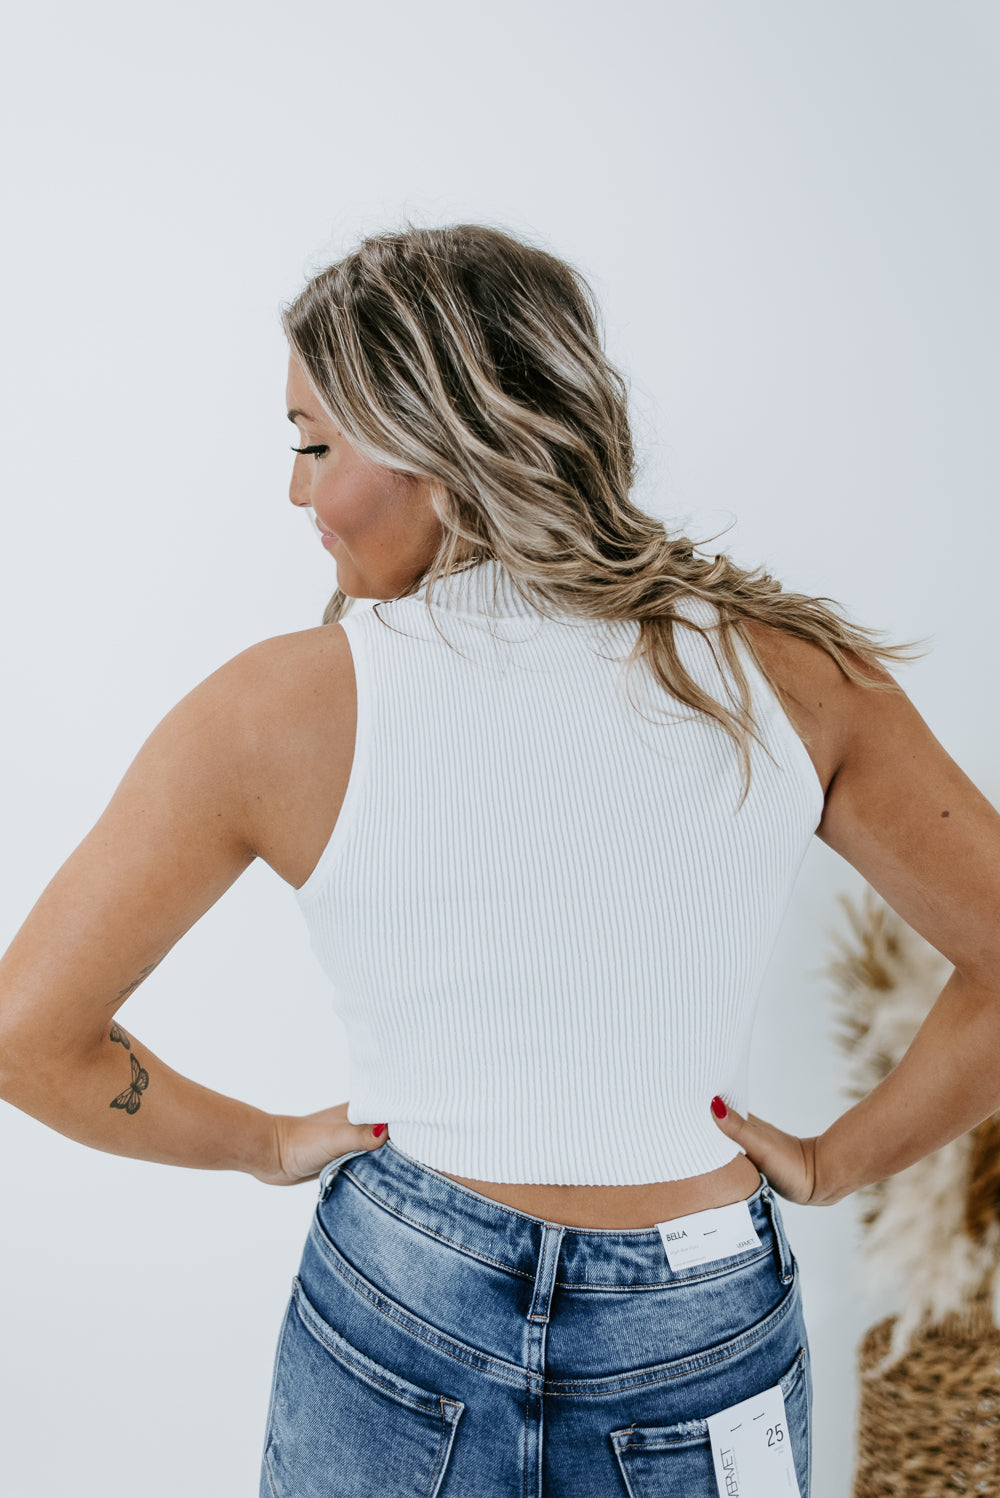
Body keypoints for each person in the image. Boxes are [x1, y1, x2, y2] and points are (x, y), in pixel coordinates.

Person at [1, 222, 997, 1498]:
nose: (296, 493)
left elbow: (28, 1036)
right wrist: (834, 1162)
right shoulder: (792, 673)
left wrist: (265, 1143)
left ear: (440, 444)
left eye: (314, 443)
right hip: (699, 1309)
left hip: (404, 1287)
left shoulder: (272, 710)